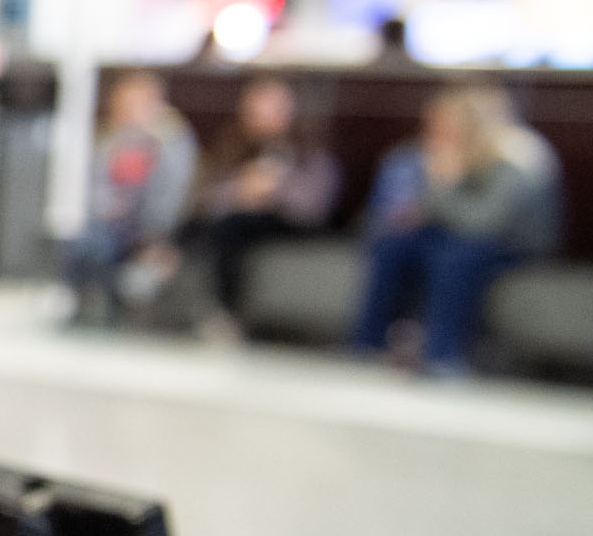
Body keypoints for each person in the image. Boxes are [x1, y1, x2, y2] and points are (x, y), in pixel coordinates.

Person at [353, 82, 560, 375]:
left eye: (447, 125)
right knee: (392, 246)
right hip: (454, 239)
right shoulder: (424, 156)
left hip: (510, 247)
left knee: (454, 256)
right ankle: (366, 346)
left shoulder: (510, 158)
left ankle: (442, 355)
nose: (437, 133)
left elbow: (482, 223)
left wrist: (441, 186)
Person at [185, 76, 340, 330]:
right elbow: (209, 196)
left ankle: (226, 313)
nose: (261, 118)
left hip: (291, 225)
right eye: (254, 111)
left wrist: (274, 191)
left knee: (233, 226)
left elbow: (313, 206)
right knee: (198, 226)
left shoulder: (309, 153)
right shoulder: (233, 148)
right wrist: (241, 190)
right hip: (241, 217)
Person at [64, 72, 197, 325]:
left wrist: (155, 236)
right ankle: (85, 306)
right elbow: (95, 189)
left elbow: (173, 196)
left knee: (140, 278)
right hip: (109, 227)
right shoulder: (109, 141)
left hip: (154, 232)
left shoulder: (172, 142)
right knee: (86, 241)